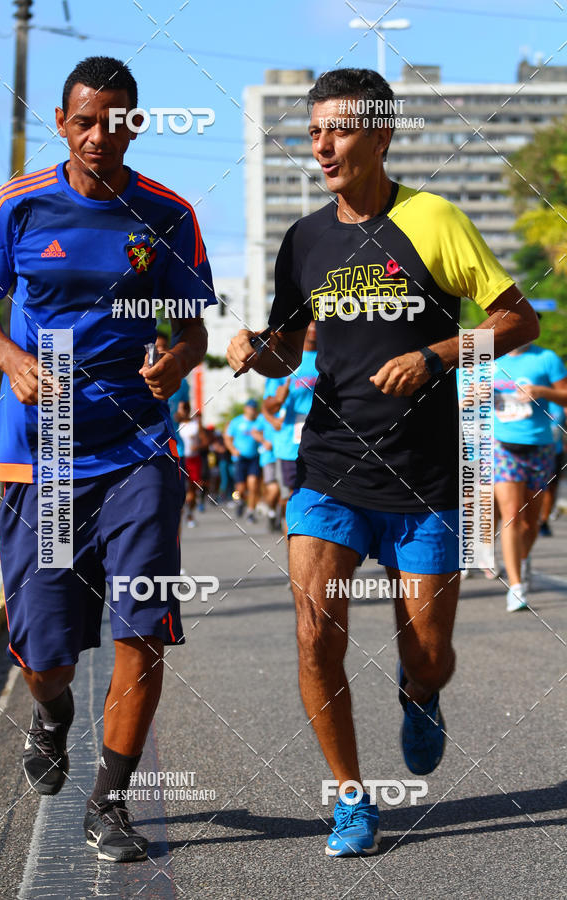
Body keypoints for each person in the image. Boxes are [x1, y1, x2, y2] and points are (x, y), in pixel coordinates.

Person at [227, 67, 538, 857]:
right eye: (313, 132)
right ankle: (351, 799)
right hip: (329, 467)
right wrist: (252, 349)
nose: (321, 146)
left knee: (428, 654)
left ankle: (419, 694)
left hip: (426, 477)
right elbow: (285, 350)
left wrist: (437, 355)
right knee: (314, 632)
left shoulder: (434, 219)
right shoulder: (303, 240)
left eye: (338, 129)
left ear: (382, 134)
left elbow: (518, 320)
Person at [0, 56, 216, 862]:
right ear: (61, 122)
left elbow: (193, 330)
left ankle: (109, 801)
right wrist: (10, 358)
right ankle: (51, 711)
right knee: (45, 650)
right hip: (40, 453)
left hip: (138, 447)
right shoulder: (16, 205)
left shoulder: (168, 215)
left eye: (114, 122)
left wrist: (177, 362)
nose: (98, 136)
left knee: (144, 624)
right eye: (83, 121)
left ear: (134, 125)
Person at [493, 341, 567, 610]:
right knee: (512, 514)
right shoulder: (488, 360)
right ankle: (516, 587)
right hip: (500, 445)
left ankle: (522, 559)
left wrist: (541, 391)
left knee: (530, 522)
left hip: (540, 446)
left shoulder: (546, 358)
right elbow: (462, 398)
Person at [262, 321, 318, 532]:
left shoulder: (330, 358)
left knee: (322, 503)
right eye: (309, 323)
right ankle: (293, 548)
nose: (313, 328)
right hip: (289, 447)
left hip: (324, 442)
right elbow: (267, 405)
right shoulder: (284, 361)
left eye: (317, 323)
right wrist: (278, 400)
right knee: (291, 502)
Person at [224, 399, 262, 522]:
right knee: (240, 487)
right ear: (246, 408)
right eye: (250, 408)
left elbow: (265, 435)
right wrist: (233, 450)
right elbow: (228, 438)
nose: (252, 411)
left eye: (254, 409)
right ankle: (240, 501)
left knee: (253, 484)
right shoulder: (236, 422)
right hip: (240, 458)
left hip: (254, 457)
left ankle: (250, 512)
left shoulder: (259, 422)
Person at [539, 399, 565, 536]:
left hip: (556, 452)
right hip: (534, 452)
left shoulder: (560, 400)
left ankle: (544, 521)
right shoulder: (535, 398)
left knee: (551, 488)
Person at [253, 410, 281, 530]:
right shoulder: (263, 416)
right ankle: (270, 510)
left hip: (285, 456)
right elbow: (254, 432)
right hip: (269, 457)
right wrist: (264, 442)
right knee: (274, 488)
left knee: (283, 491)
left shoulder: (285, 412)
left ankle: (275, 514)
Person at [177, 401, 202, 527]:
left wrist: (197, 446)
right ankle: (181, 514)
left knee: (192, 489)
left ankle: (190, 513)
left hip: (193, 459)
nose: (183, 411)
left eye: (185, 408)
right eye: (181, 408)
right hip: (179, 458)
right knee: (181, 488)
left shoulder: (195, 425)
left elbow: (205, 440)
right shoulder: (175, 424)